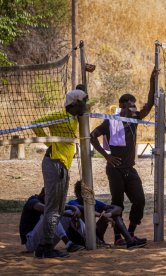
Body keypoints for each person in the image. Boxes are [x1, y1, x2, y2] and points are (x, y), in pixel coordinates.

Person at [90, 69, 156, 246]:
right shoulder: (111, 121)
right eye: (130, 106)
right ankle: (119, 237)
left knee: (139, 201)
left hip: (129, 169)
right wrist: (107, 156)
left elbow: (149, 104)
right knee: (117, 204)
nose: (133, 109)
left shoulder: (134, 119)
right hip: (115, 169)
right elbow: (91, 136)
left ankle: (131, 233)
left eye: (134, 106)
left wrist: (152, 81)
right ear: (122, 106)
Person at [31, 86, 87, 258]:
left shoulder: (76, 117)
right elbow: (36, 124)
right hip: (54, 163)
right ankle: (46, 247)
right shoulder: (61, 115)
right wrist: (51, 144)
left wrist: (82, 89)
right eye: (83, 102)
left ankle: (43, 247)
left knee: (60, 208)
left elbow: (84, 98)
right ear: (74, 104)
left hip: (63, 165)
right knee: (53, 208)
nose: (85, 105)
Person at [67, 181, 146, 249]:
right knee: (81, 212)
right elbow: (83, 209)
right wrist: (99, 214)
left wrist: (108, 214)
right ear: (77, 194)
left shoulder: (93, 202)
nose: (86, 194)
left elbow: (118, 208)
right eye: (83, 192)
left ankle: (130, 241)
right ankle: (97, 241)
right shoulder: (72, 203)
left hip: (94, 235)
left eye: (88, 192)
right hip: (78, 238)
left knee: (112, 213)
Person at [19, 188, 85, 258]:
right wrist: (68, 213)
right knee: (51, 214)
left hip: (46, 241)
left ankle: (91, 239)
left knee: (68, 212)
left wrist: (74, 209)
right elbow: (47, 209)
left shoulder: (48, 202)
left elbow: (63, 207)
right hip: (31, 243)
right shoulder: (33, 200)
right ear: (44, 195)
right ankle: (69, 244)